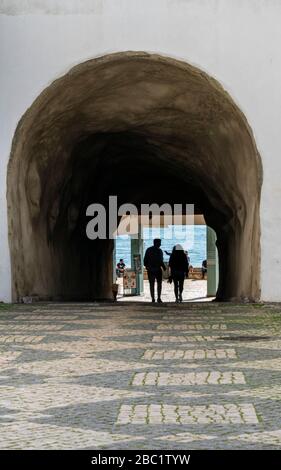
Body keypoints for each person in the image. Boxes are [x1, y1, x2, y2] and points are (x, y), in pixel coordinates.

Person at [144, 238, 166, 303]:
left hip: (150, 270)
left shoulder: (148, 250)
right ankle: (159, 298)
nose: (160, 244)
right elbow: (161, 261)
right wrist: (164, 267)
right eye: (159, 243)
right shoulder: (159, 251)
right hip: (158, 270)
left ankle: (153, 298)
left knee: (151, 284)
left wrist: (147, 267)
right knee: (159, 284)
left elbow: (145, 260)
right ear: (156, 243)